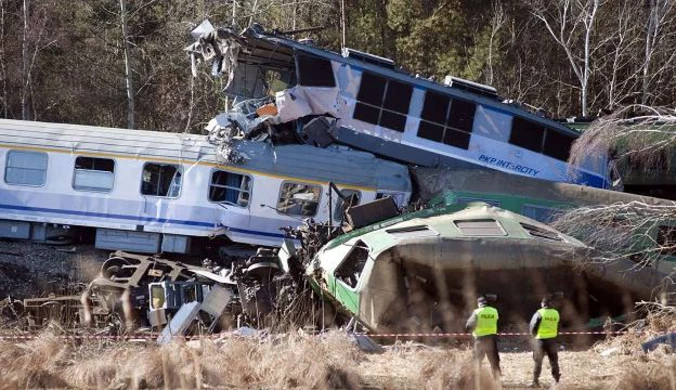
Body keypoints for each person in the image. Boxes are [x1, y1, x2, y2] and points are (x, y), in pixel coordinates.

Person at [466, 296, 501, 379]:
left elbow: (469, 325)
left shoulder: (477, 312)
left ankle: (476, 380)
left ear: (480, 304)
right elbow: (497, 322)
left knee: (477, 360)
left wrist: (472, 330)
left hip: (480, 340)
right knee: (494, 360)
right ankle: (496, 380)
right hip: (492, 339)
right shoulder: (494, 311)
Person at [529, 296, 561, 387]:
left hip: (540, 341)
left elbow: (532, 326)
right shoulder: (556, 313)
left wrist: (534, 336)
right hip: (552, 340)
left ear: (543, 304)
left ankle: (535, 382)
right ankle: (556, 381)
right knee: (554, 361)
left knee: (538, 362)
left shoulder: (539, 313)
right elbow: (558, 326)